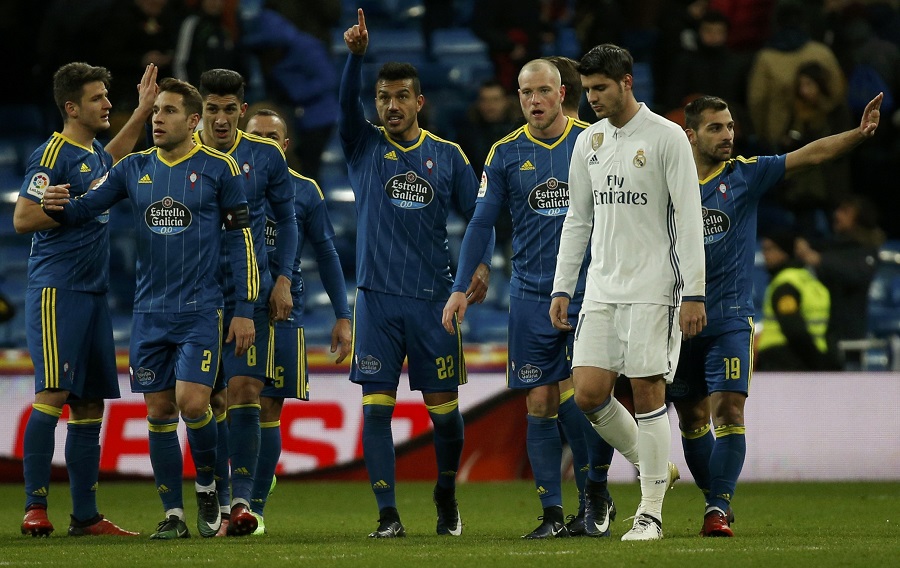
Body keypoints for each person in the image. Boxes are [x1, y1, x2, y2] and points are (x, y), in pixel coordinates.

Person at [39, 77, 259, 540]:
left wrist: (244, 307)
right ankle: (173, 515)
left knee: (194, 402)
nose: (157, 118)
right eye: (155, 110)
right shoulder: (131, 169)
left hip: (202, 309)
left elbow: (242, 240)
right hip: (149, 312)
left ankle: (206, 485)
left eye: (169, 111)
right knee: (159, 412)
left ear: (193, 121)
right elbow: (85, 209)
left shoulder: (221, 169)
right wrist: (57, 205)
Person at [671, 92, 881, 537]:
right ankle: (716, 500)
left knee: (728, 410)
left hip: (730, 316)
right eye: (716, 127)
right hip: (676, 319)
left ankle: (717, 508)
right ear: (690, 134)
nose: (728, 135)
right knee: (690, 418)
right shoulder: (666, 182)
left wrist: (858, 135)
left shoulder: (746, 174)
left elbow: (809, 155)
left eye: (730, 126)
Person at [442, 58, 616, 539]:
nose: (534, 101)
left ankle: (594, 499)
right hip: (529, 295)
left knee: (584, 400)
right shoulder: (503, 153)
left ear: (562, 94)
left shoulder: (596, 142)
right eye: (525, 93)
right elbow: (481, 223)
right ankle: (552, 515)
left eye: (543, 91)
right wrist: (460, 286)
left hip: (591, 294)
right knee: (538, 402)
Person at [341, 8, 493, 538]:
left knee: (444, 416)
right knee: (376, 411)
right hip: (376, 302)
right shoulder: (364, 148)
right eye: (383, 96)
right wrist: (355, 59)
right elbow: (345, 104)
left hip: (434, 304)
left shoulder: (448, 156)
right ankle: (388, 516)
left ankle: (446, 493)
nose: (391, 105)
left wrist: (478, 265)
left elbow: (480, 218)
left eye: (401, 95)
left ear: (419, 101)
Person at [549, 44, 707, 542]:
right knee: (589, 394)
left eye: (600, 88)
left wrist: (694, 294)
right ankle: (653, 462)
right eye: (587, 90)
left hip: (654, 288)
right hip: (600, 288)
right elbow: (577, 219)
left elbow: (688, 218)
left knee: (648, 393)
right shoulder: (588, 142)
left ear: (627, 82)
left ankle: (651, 512)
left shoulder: (666, 138)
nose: (592, 98)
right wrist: (562, 285)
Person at [13, 61, 158, 538]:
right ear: (72, 107)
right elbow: (23, 219)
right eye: (99, 98)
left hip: (93, 292)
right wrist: (71, 208)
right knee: (53, 393)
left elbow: (109, 168)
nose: (107, 105)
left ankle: (85, 516)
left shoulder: (92, 151)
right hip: (58, 290)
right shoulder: (49, 154)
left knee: (90, 404)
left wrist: (140, 113)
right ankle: (35, 506)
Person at [195, 68, 298, 537]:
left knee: (245, 392)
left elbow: (288, 223)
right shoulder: (180, 153)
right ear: (201, 109)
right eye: (212, 109)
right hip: (193, 295)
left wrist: (282, 278)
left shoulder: (267, 156)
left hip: (247, 293)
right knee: (205, 399)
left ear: (242, 108)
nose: (220, 119)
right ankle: (212, 489)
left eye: (229, 109)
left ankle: (241, 502)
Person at [243, 108, 353, 535]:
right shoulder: (225, 180)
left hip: (283, 311)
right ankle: (227, 489)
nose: (267, 142)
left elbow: (326, 254)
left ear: (285, 145)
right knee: (225, 403)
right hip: (233, 307)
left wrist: (343, 316)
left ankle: (253, 508)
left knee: (269, 405)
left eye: (274, 136)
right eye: (258, 136)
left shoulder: (305, 191)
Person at [795, 195, 885, 360]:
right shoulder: (830, 247)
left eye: (844, 211)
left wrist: (819, 260)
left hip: (851, 338)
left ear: (860, 218)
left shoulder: (867, 251)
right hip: (824, 336)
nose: (837, 215)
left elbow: (856, 275)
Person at [756, 231, 838, 371]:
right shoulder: (812, 281)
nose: (764, 255)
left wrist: (816, 361)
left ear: (784, 251)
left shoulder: (785, 284)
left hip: (783, 359)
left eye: (769, 249)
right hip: (812, 357)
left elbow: (793, 329)